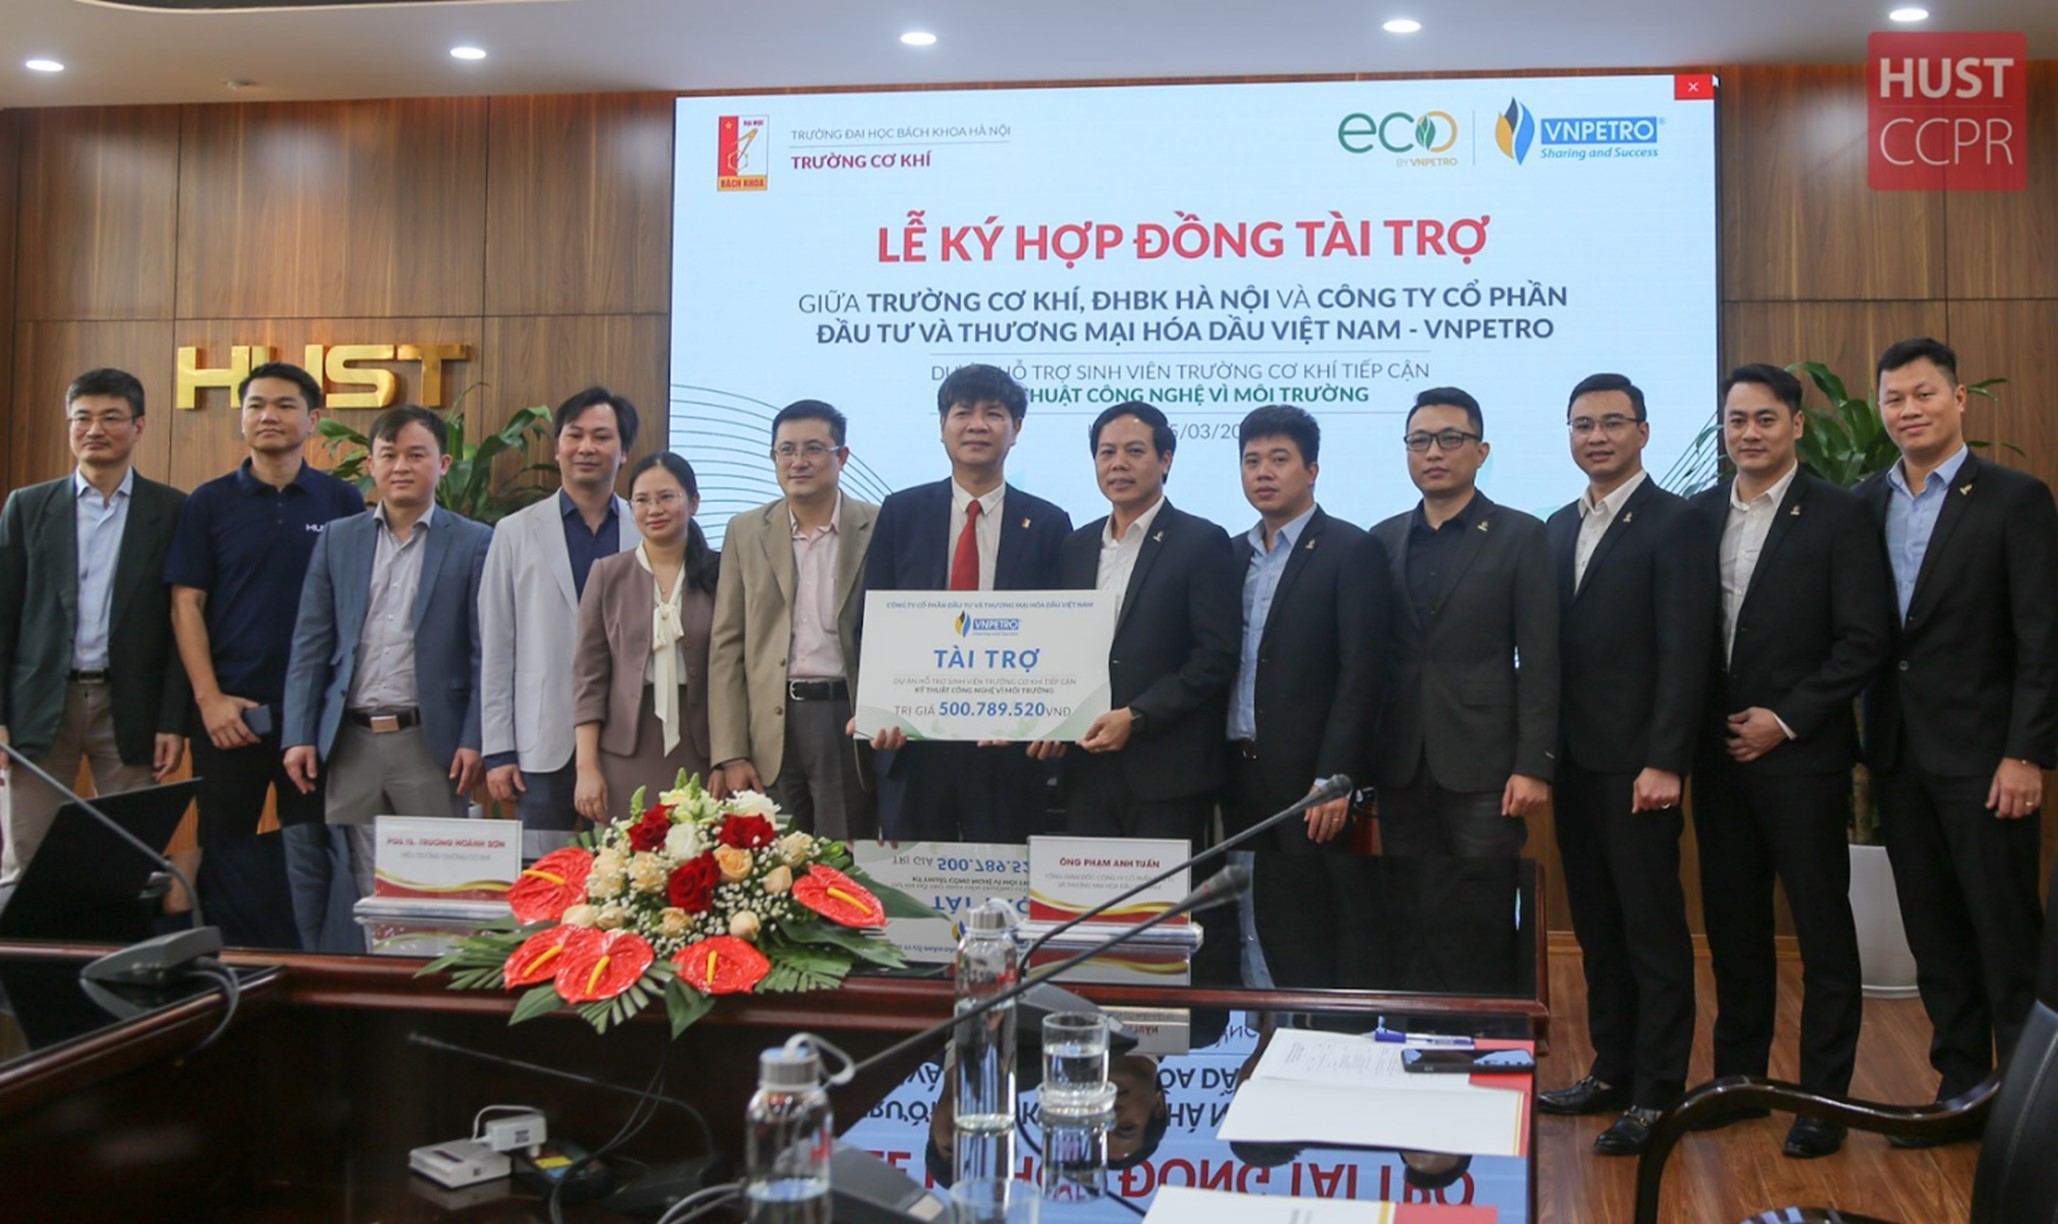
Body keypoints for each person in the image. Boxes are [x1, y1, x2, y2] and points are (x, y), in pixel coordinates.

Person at [1688, 363, 1890, 1159]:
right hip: (1719, 758)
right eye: (1737, 420)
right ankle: (1740, 1085)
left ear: (1796, 425)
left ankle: (1822, 1100)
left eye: (1765, 419)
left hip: (1802, 759)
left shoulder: (1840, 514)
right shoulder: (1700, 514)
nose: (1749, 433)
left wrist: (1786, 719)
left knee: (1821, 932)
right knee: (1735, 931)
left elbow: (1865, 640)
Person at [1858, 337, 2057, 1142]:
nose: (1908, 410)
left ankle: (2032, 1109)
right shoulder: (1863, 502)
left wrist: (2026, 752)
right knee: (1933, 933)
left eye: (1924, 394)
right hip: (1899, 755)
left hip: (1987, 758)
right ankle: (1962, 1089)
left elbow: (2042, 638)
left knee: (2006, 933)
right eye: (1894, 399)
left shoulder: (2014, 498)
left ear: (1960, 398)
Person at [1536, 374, 1715, 1156]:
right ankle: (1612, 1070)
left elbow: (1686, 649)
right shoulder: (1556, 525)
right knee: (1598, 929)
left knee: (1652, 932)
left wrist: (1666, 759)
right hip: (1574, 763)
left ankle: (1656, 1093)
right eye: (1583, 424)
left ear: (1643, 431)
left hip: (1641, 767)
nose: (1597, 436)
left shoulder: (1676, 522)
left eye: (1613, 422)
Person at [166, 361, 368, 948]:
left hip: (318, 716)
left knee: (316, 850)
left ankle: (312, 966)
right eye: (256, 405)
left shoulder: (340, 499)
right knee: (225, 847)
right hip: (232, 713)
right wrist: (209, 700)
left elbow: (358, 604)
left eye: (283, 405)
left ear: (313, 419)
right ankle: (228, 968)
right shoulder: (209, 502)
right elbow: (185, 605)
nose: (268, 416)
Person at [282, 405, 492, 899]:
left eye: (416, 455)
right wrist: (299, 733)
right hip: (349, 741)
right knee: (358, 889)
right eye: (389, 455)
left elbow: (486, 651)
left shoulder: (474, 542)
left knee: (440, 885)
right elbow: (310, 643)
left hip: (430, 742)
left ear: (443, 464)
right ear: (372, 464)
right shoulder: (339, 539)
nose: (401, 466)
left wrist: (475, 737)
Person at [861, 364, 1071, 842]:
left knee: (1005, 877)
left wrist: (1052, 717)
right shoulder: (901, 512)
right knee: (912, 882)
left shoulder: (1048, 522)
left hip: (1008, 748)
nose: (977, 425)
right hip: (914, 743)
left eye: (993, 414)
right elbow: (871, 621)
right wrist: (879, 708)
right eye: (963, 413)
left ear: (1016, 429)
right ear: (942, 426)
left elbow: (1061, 637)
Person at [0, 369, 188, 887]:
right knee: (25, 857)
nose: (94, 429)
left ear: (139, 426)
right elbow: (4, 614)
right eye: (82, 418)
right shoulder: (27, 507)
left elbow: (182, 626)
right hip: (40, 702)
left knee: (129, 859)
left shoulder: (172, 510)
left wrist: (173, 721)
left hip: (130, 704)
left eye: (111, 417)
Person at [1369, 387, 1557, 858]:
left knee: (1483, 895)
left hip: (1486, 763)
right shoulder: (1382, 539)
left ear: (1481, 451)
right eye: (1419, 441)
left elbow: (1541, 660)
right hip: (1399, 761)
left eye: (1450, 438)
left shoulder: (1521, 535)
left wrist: (1533, 765)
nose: (1433, 452)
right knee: (1409, 896)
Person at [1055, 401, 1238, 845]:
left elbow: (1215, 656)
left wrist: (1138, 716)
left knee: (1162, 893)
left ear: (1165, 460)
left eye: (1134, 451)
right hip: (1084, 769)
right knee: (1089, 891)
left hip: (1166, 773)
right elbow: (1061, 649)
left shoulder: (1202, 542)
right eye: (1106, 452)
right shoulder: (1075, 546)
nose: (1118, 464)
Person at [1223, 404, 1388, 852]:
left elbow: (1361, 674)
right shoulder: (1231, 554)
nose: (1263, 472)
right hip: (1235, 771)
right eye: (1251, 461)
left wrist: (1334, 776)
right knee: (1245, 893)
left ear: (1311, 471)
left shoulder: (1351, 550)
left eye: (1279, 459)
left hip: (1310, 778)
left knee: (1309, 894)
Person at [709, 400, 878, 838]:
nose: (798, 461)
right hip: (770, 722)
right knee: (775, 859)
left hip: (845, 717)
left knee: (840, 858)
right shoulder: (745, 530)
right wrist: (730, 751)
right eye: (786, 450)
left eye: (814, 449)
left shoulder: (877, 525)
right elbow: (726, 645)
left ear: (842, 456)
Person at [479, 387, 640, 832]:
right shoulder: (513, 532)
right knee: (543, 867)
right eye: (575, 435)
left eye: (601, 437)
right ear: (557, 447)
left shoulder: (646, 528)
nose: (586, 447)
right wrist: (498, 750)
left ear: (624, 451)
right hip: (541, 740)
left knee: (627, 867)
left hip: (629, 739)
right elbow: (496, 646)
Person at [572, 452, 722, 825]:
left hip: (705, 748)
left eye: (666, 497)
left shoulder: (723, 572)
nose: (654, 509)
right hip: (626, 751)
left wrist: (728, 757)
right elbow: (589, 678)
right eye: (642, 500)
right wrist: (586, 768)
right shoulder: (608, 574)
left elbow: (738, 674)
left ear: (694, 502)